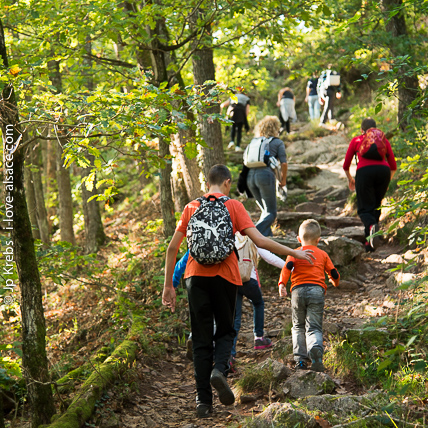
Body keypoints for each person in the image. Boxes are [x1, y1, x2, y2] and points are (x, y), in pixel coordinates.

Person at [162, 164, 315, 419]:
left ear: (208, 182)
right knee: (226, 330)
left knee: (200, 339)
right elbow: (261, 241)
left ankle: (203, 401)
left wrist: (169, 287)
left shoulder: (191, 207)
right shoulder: (233, 206)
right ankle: (219, 370)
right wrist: (293, 252)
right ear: (228, 183)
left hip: (194, 277)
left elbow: (171, 249)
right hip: (226, 277)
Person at [278, 219, 340, 372]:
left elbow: (287, 268)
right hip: (316, 291)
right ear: (318, 240)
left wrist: (281, 284)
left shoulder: (295, 253)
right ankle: (316, 349)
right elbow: (333, 272)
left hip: (297, 292)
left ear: (299, 239)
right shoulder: (323, 254)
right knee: (314, 327)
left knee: (298, 325)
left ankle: (300, 360)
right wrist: (335, 281)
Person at [230, 232, 285, 370]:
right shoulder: (251, 237)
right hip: (249, 281)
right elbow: (269, 258)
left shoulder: (228, 237)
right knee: (258, 303)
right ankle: (259, 338)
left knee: (235, 318)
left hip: (232, 281)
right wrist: (289, 266)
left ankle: (229, 355)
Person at [343, 118, 397, 252]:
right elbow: (393, 166)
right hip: (383, 172)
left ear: (362, 130)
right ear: (375, 129)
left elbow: (346, 165)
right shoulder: (384, 141)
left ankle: (372, 225)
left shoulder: (357, 140)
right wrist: (387, 181)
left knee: (364, 209)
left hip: (364, 172)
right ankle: (370, 242)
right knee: (376, 205)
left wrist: (351, 179)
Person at [246, 116, 288, 237]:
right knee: (271, 212)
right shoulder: (277, 142)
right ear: (275, 128)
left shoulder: (255, 142)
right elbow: (284, 163)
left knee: (265, 211)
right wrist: (283, 180)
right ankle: (252, 234)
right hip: (265, 176)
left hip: (250, 177)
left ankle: (267, 238)